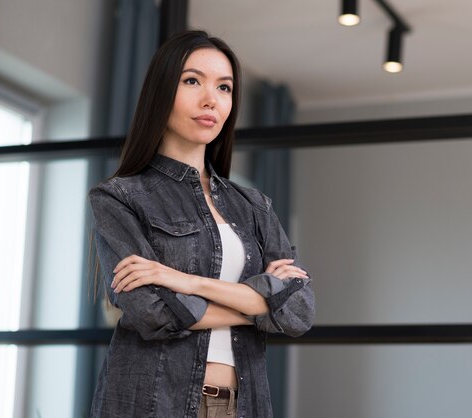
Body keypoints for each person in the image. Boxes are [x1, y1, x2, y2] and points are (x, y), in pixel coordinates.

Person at [88, 30, 315, 418]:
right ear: (161, 92)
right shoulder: (118, 198)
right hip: (153, 404)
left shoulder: (254, 205)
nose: (211, 99)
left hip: (243, 405)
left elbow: (299, 311)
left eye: (224, 87)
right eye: (192, 81)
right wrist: (263, 304)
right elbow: (153, 313)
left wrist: (184, 281)